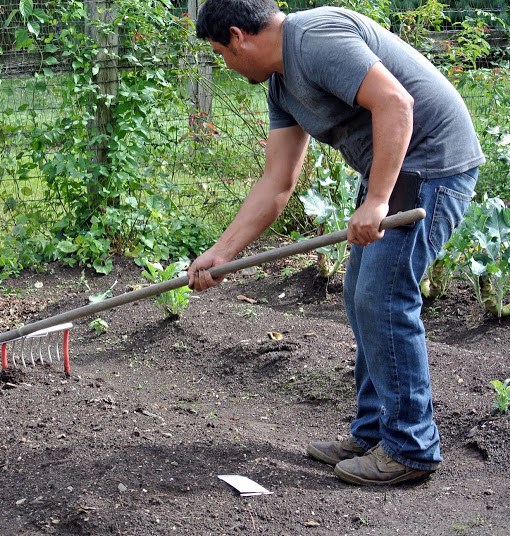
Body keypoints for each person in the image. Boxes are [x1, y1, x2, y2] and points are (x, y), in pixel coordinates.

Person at [187, 0, 484, 486]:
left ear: (239, 37)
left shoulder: (315, 38)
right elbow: (277, 181)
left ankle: (410, 448)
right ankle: (373, 431)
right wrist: (224, 252)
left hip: (431, 165)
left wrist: (379, 199)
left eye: (221, 51)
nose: (225, 63)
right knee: (360, 296)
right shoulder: (282, 84)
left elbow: (396, 102)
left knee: (382, 300)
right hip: (396, 172)